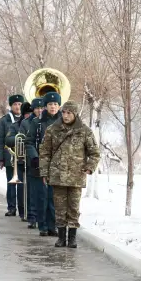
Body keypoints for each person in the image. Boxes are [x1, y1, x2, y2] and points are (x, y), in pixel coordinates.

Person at [39, 100, 101, 248]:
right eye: (64, 112)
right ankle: (61, 237)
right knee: (59, 208)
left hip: (76, 176)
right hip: (57, 175)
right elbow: (45, 152)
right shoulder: (52, 129)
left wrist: (89, 167)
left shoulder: (84, 131)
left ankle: (72, 238)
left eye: (69, 113)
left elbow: (94, 153)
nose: (66, 116)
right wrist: (44, 172)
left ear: (75, 114)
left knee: (73, 208)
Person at [26, 91, 62, 237]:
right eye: (50, 104)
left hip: (59, 164)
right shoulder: (37, 122)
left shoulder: (64, 121)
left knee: (54, 197)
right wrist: (34, 157)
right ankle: (43, 225)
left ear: (59, 106)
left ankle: (53, 225)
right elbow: (29, 141)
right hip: (41, 163)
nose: (52, 107)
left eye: (55, 104)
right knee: (42, 196)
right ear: (45, 106)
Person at [0, 94, 26, 218]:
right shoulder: (5, 120)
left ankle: (22, 208)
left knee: (21, 185)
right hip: (9, 156)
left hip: (22, 157)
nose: (17, 106)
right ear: (11, 105)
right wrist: (0, 158)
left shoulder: (27, 117)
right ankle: (11, 207)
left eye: (20, 104)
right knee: (11, 183)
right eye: (15, 104)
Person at [22, 97, 44, 229]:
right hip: (32, 160)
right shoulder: (26, 123)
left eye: (42, 108)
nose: (40, 110)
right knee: (33, 191)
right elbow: (23, 139)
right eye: (37, 108)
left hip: (47, 160)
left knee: (45, 192)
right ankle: (32, 216)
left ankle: (43, 217)